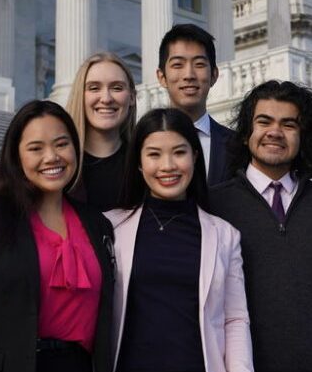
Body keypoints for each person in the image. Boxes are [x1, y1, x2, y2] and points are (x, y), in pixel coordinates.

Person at [209, 81, 312, 372]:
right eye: (264, 121)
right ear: (247, 131)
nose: (275, 132)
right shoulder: (213, 206)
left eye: (288, 124)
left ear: (303, 136)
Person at [0, 100, 116, 372]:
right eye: (36, 148)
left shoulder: (98, 224)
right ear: (16, 156)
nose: (52, 157)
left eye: (61, 144)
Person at [105, 108, 253, 372]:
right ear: (139, 162)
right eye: (154, 154)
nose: (168, 166)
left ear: (195, 156)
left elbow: (236, 319)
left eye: (179, 152)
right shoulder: (110, 227)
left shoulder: (224, 235)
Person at [156, 24, 234, 186]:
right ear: (162, 77)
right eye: (178, 64)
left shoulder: (237, 146)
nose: (189, 75)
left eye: (199, 64)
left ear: (214, 75)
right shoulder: (142, 144)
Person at [65, 52, 137, 211]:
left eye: (117, 88)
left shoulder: (144, 163)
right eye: (94, 88)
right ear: (81, 96)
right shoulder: (61, 162)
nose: (106, 98)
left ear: (132, 97)